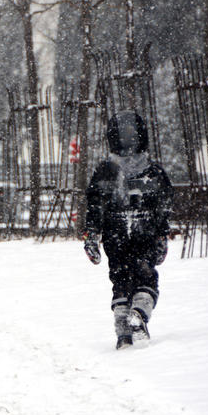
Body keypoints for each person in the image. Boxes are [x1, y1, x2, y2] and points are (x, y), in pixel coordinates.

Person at [84, 110, 173, 350]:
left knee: (120, 278)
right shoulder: (153, 171)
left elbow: (94, 205)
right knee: (146, 275)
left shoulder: (105, 172)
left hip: (115, 232)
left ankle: (123, 329)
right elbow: (164, 204)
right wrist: (162, 233)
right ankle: (139, 313)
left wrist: (91, 234)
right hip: (145, 230)